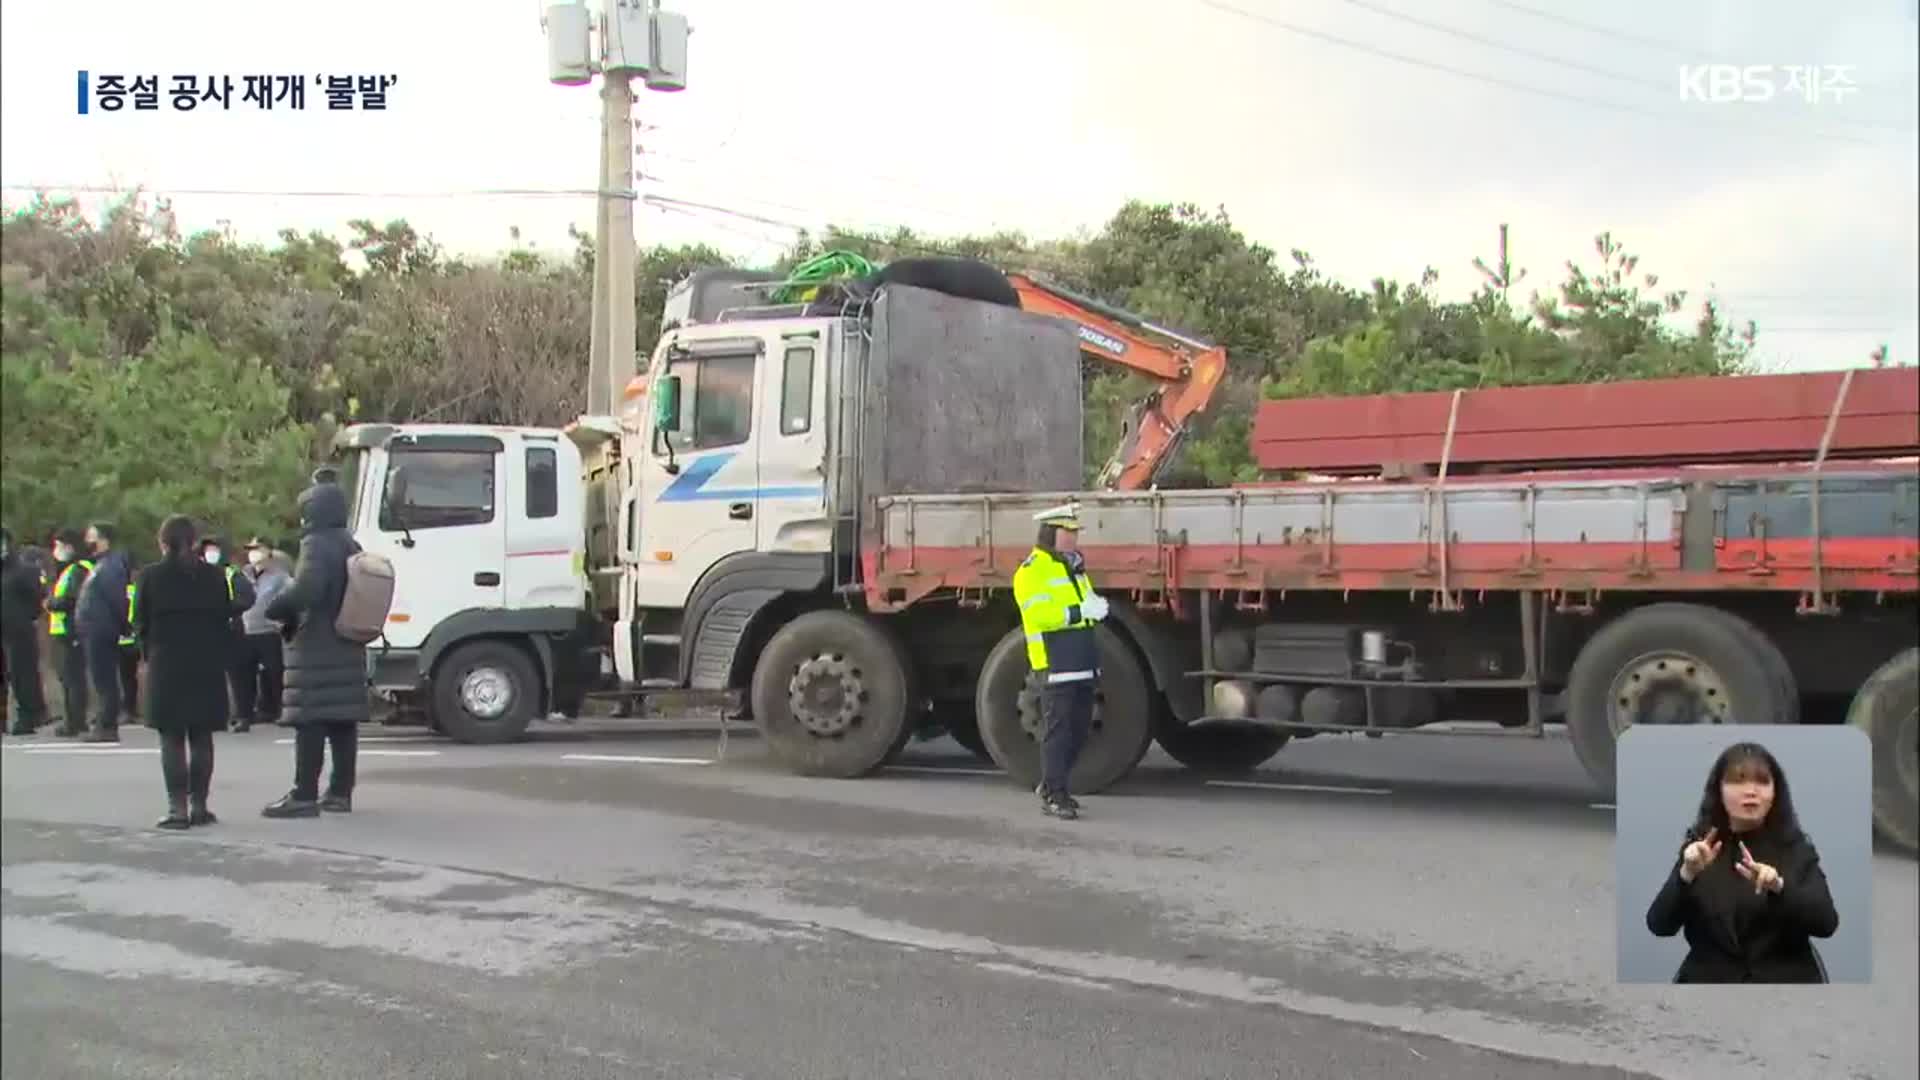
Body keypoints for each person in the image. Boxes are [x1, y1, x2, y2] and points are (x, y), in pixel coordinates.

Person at [1645, 740, 1839, 983]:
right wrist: (1686, 874)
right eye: (1738, 780)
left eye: (1762, 781)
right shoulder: (1700, 849)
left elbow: (1827, 923)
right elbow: (1659, 925)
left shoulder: (1796, 850)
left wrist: (1779, 887)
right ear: (1719, 791)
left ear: (1775, 793)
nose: (1751, 790)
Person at [134, 516, 252, 828]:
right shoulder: (213, 577)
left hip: (166, 661)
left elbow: (139, 622)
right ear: (193, 542)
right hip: (206, 662)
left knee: (171, 737)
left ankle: (177, 809)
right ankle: (200, 805)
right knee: (201, 736)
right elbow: (223, 616)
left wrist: (148, 654)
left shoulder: (150, 576)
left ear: (162, 542)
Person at [262, 480, 368, 818]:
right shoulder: (350, 543)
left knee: (310, 720)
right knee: (342, 722)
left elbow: (306, 589)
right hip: (347, 640)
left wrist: (275, 608)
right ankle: (340, 793)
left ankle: (304, 794)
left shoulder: (317, 544)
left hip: (318, 643)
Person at [1010, 503, 1110, 820]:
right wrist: (1083, 612)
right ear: (1051, 534)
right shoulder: (1031, 572)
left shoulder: (1072, 567)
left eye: (1075, 533)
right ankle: (1055, 794)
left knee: (1080, 729)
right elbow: (1040, 616)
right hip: (1054, 661)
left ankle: (1052, 783)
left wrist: (1095, 605)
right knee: (1060, 730)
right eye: (1068, 533)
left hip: (1080, 658)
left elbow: (1083, 601)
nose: (1074, 538)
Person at [74, 522, 134, 743]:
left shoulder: (112, 565)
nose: (88, 540)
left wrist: (122, 625)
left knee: (105, 679)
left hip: (102, 629)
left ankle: (107, 725)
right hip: (94, 629)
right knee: (101, 678)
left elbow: (116, 598)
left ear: (104, 539)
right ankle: (103, 721)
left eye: (92, 536)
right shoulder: (100, 564)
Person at [233, 536, 292, 730]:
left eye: (258, 549)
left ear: (269, 552)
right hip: (244, 631)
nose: (253, 553)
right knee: (244, 674)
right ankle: (244, 716)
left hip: (268, 631)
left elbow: (290, 599)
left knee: (275, 672)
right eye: (251, 549)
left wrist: (282, 622)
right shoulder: (242, 574)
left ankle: (280, 711)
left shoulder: (280, 576)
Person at [43, 529, 93, 737]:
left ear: (70, 547)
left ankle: (75, 721)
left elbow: (71, 600)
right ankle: (73, 719)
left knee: (73, 679)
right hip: (66, 630)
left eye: (59, 546)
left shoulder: (77, 570)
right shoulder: (70, 569)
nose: (56, 550)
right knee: (69, 678)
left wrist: (50, 603)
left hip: (72, 631)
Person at [2, 527, 51, 736]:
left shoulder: (24, 569)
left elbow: (37, 598)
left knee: (22, 675)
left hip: (18, 630)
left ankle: (29, 716)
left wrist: (25, 617)